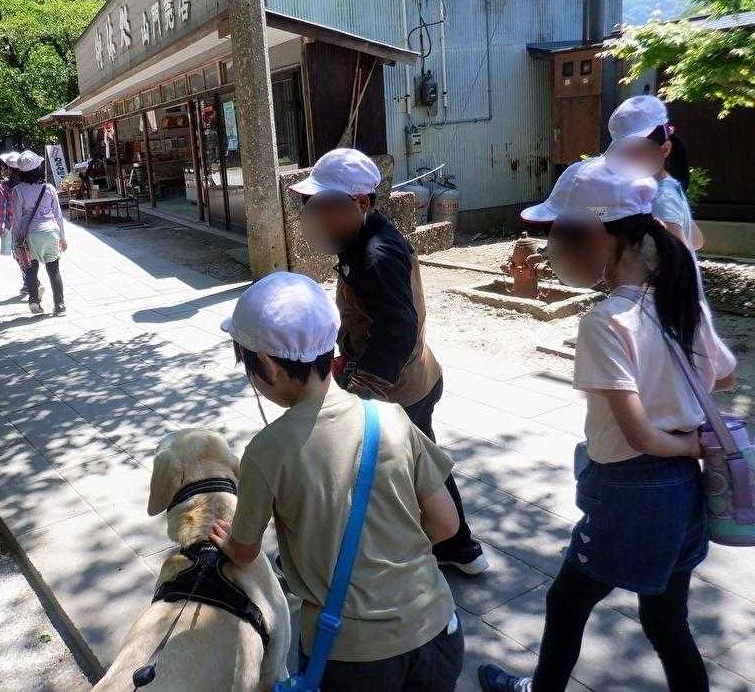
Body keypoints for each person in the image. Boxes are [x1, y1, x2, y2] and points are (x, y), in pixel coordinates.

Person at [479, 157, 736, 692]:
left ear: (602, 238)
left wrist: (688, 444)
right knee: (665, 619)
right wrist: (686, 424)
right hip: (686, 491)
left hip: (632, 490)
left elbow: (639, 435)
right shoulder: (676, 300)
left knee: (567, 601)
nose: (556, 248)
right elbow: (725, 374)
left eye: (563, 234)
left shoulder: (604, 322)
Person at [212, 271, 465, 692]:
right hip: (437, 628)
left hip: (352, 657)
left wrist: (226, 543)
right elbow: (446, 524)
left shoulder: (266, 452)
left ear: (268, 366)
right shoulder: (390, 417)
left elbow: (244, 551)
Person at [291, 148, 488, 576]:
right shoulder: (363, 239)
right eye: (312, 206)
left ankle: (334, 557)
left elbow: (397, 328)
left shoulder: (375, 255)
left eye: (324, 207)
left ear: (360, 203)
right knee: (423, 462)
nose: (316, 218)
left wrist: (360, 391)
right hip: (415, 375)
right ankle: (459, 547)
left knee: (374, 468)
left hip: (398, 386)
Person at [606, 95, 704, 251]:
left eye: (636, 152)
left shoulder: (661, 197)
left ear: (664, 150)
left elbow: (678, 255)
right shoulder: (662, 187)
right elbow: (696, 239)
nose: (627, 159)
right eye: (623, 151)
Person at [10, 150, 67, 316]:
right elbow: (58, 215)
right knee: (54, 270)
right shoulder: (49, 188)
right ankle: (60, 305)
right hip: (50, 232)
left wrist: (16, 240)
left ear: (20, 172)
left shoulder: (17, 191)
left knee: (31, 268)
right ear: (38, 168)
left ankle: (34, 301)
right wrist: (62, 237)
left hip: (31, 235)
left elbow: (17, 220)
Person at [0, 151, 30, 296]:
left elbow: (0, 209)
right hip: (30, 223)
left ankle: (29, 281)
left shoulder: (4, 187)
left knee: (18, 254)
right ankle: (30, 279)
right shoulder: (28, 183)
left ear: (8, 169)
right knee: (29, 253)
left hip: (13, 226)